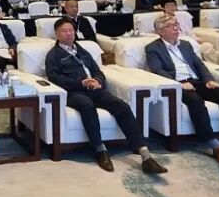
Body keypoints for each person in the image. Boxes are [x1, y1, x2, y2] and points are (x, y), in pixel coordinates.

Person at [46, 19, 166, 174]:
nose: (69, 34)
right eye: (64, 31)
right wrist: (81, 83)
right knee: (87, 106)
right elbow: (54, 78)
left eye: (71, 30)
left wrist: (97, 81)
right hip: (73, 92)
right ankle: (100, 149)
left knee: (121, 106)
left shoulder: (81, 50)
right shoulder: (53, 55)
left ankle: (145, 154)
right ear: (57, 34)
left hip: (94, 89)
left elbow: (98, 71)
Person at [145, 14, 219, 168]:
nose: (175, 28)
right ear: (160, 31)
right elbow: (157, 70)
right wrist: (179, 84)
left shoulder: (186, 44)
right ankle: (215, 145)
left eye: (176, 24)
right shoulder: (153, 48)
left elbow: (199, 65)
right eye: (170, 26)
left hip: (197, 82)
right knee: (195, 101)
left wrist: (208, 79)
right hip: (177, 86)